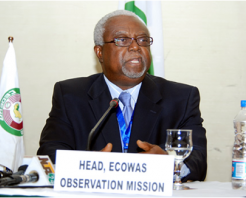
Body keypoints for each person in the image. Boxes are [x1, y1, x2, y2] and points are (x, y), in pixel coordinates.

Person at [37, 10, 207, 182]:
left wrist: (168, 166)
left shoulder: (181, 98)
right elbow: (49, 154)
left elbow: (197, 162)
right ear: (100, 52)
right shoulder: (70, 95)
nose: (135, 47)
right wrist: (87, 166)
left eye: (143, 40)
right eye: (122, 40)